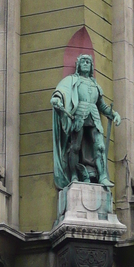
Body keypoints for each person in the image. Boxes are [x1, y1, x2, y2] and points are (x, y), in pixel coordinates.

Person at [51, 54, 120, 190]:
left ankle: (102, 177)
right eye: (83, 61)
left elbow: (102, 106)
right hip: (79, 115)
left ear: (91, 66)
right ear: (78, 65)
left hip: (94, 115)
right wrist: (57, 98)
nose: (86, 63)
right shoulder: (73, 80)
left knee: (99, 146)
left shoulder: (95, 85)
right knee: (75, 147)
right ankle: (74, 176)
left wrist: (113, 114)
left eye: (88, 61)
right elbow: (62, 91)